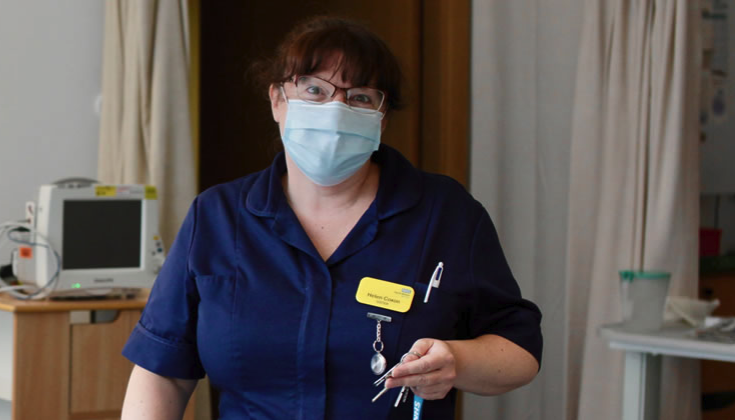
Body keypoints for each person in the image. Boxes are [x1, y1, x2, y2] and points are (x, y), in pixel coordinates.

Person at [119, 17, 541, 420]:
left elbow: (519, 351)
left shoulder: (445, 214)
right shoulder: (216, 218)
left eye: (359, 97)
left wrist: (459, 361)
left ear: (381, 117)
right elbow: (164, 373)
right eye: (315, 91)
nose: (336, 110)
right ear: (277, 101)